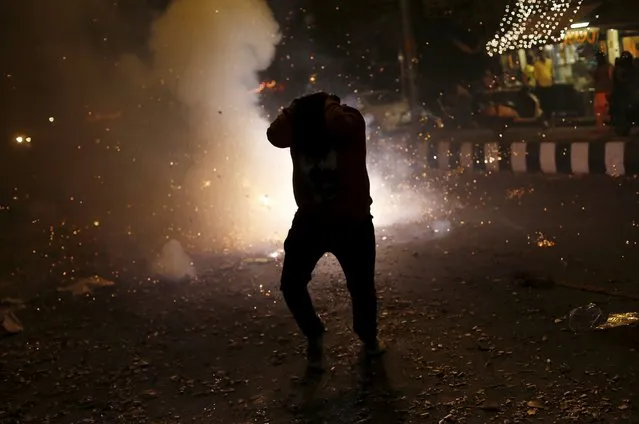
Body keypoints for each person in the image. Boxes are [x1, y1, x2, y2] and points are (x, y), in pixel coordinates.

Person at [266, 92, 384, 369]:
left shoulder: (350, 120)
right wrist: (295, 109)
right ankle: (315, 334)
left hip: (351, 221)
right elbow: (274, 136)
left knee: (361, 288)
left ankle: (369, 340)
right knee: (291, 285)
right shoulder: (299, 128)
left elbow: (341, 126)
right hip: (311, 221)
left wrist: (322, 104)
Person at [592, 51, 613, 128]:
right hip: (605, 91)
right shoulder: (608, 67)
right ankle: (604, 125)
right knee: (604, 109)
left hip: (601, 91)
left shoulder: (598, 68)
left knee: (600, 110)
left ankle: (601, 126)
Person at [534, 52, 554, 121]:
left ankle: (550, 114)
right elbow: (536, 76)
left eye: (542, 55)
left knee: (550, 100)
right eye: (540, 55)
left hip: (549, 84)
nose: (542, 56)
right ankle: (545, 115)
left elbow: (551, 71)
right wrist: (537, 86)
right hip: (542, 86)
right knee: (544, 102)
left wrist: (553, 80)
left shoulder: (549, 62)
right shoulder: (537, 64)